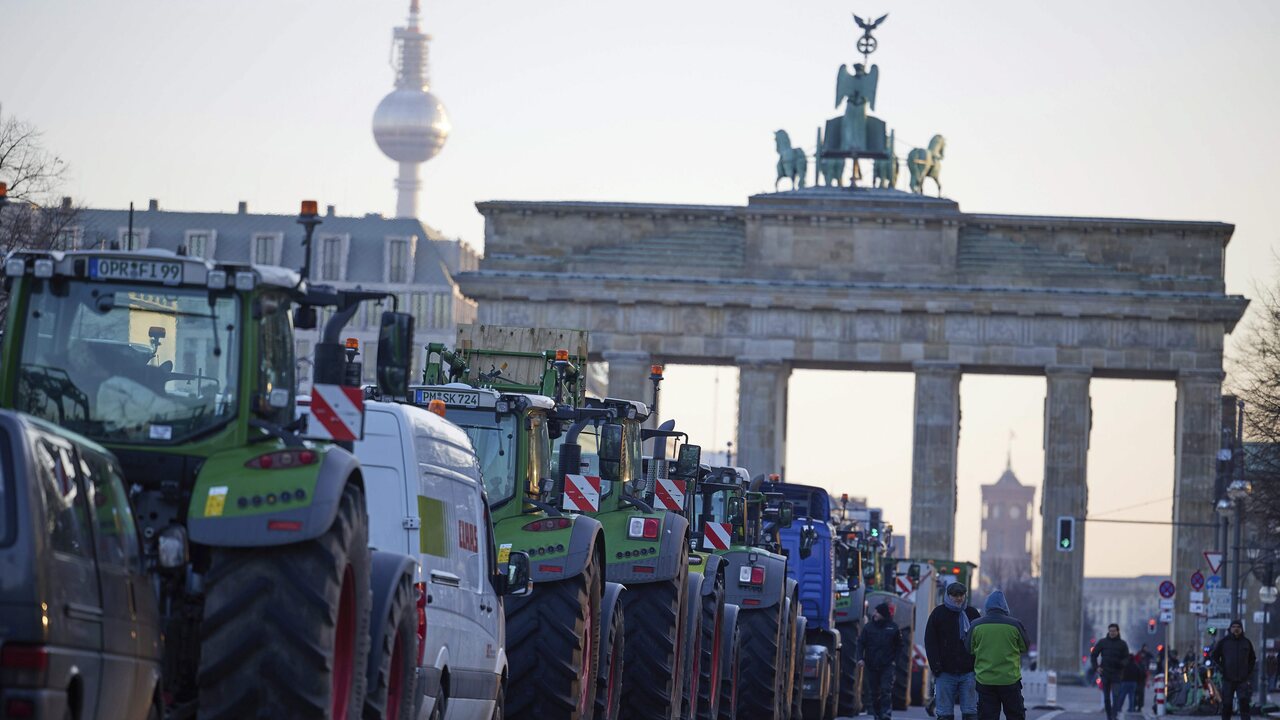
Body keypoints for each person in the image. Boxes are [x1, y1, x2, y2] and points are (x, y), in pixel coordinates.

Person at [967, 590, 1030, 720]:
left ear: (987, 606)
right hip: (1009, 680)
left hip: (985, 680)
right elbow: (1025, 646)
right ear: (1005, 606)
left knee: (987, 717)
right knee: (1015, 715)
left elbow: (969, 649)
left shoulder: (976, 625)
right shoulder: (1014, 624)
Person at [924, 582, 982, 720]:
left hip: (969, 672)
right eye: (955, 595)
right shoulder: (938, 614)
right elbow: (930, 641)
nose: (959, 598)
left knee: (971, 712)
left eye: (961, 595)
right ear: (948, 596)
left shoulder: (972, 613)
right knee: (944, 714)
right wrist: (936, 666)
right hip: (944, 672)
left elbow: (980, 641)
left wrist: (977, 666)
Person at [857, 601, 903, 720]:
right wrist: (860, 658)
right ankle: (878, 714)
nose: (874, 614)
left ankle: (886, 713)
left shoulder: (893, 628)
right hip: (871, 665)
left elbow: (899, 646)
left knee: (885, 690)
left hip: (887, 665)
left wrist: (895, 661)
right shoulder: (868, 628)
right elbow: (861, 644)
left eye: (877, 612)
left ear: (883, 614)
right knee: (874, 693)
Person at [1210, 620, 1257, 720]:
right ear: (1230, 629)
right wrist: (1221, 668)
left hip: (1242, 679)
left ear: (1241, 629)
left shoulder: (1246, 642)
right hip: (1228, 679)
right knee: (1227, 705)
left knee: (1244, 704)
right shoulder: (1224, 642)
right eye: (1234, 627)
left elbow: (1252, 659)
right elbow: (1214, 656)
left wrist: (1248, 671)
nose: (1236, 629)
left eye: (1238, 627)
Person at [1091, 623, 1131, 720]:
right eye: (1110, 631)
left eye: (1114, 631)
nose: (1112, 633)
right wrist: (1096, 667)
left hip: (1117, 673)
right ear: (1108, 631)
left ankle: (1114, 715)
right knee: (1106, 698)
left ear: (1118, 631)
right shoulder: (1103, 642)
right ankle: (1109, 716)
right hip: (1105, 673)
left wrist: (1122, 664)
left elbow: (1127, 657)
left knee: (1116, 696)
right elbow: (1094, 655)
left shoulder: (1122, 644)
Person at [1133, 645, 1152, 711]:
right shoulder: (1138, 662)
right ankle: (1136, 705)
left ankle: (1139, 706)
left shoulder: (1145, 659)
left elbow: (1151, 656)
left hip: (1141, 680)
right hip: (1138, 680)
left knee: (1140, 693)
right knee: (1137, 693)